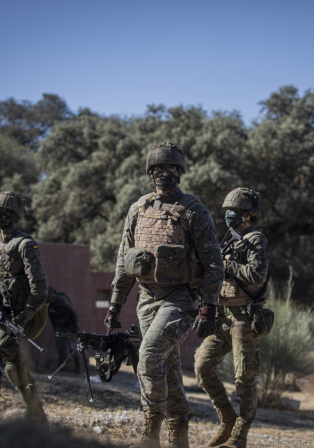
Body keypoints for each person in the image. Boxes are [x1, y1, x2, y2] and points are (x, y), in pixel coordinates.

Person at [107, 143, 224, 448]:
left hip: (181, 300)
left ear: (180, 172)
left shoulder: (194, 211)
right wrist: (115, 304)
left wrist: (208, 308)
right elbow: (124, 260)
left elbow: (213, 262)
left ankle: (149, 436)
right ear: (150, 173)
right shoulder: (138, 209)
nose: (165, 173)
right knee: (167, 368)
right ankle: (179, 433)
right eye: (159, 169)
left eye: (171, 168)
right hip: (147, 299)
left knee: (148, 357)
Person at [194, 188, 269, 448]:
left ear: (248, 214)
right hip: (221, 317)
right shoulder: (227, 240)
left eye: (234, 211)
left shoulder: (255, 240)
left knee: (244, 378)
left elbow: (257, 275)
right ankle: (227, 419)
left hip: (244, 319)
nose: (229, 215)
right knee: (202, 368)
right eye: (227, 211)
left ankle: (239, 436)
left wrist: (226, 265)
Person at [0, 191, 49, 426]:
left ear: (15, 216)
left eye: (4, 212)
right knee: (16, 370)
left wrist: (25, 317)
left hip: (20, 318)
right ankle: (40, 421)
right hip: (1, 317)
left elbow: (40, 288)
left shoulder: (25, 244)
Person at [47, 287, 80, 373]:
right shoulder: (49, 304)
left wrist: (76, 326)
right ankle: (63, 365)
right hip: (58, 327)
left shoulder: (62, 300)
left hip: (68, 325)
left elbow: (73, 313)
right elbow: (51, 317)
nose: (50, 298)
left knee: (72, 346)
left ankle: (78, 366)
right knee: (60, 346)